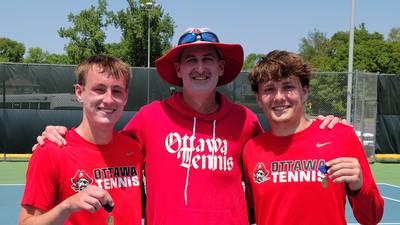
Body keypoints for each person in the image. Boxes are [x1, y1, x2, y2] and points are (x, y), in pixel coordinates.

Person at [35, 28, 342, 225]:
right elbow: (103, 141)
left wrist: (320, 127)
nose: (199, 67)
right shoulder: (149, 117)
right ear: (178, 69)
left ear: (220, 68)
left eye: (208, 59)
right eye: (190, 60)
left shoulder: (245, 121)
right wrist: (60, 132)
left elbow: (280, 155)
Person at [243, 50, 384, 225]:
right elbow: (249, 213)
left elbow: (372, 217)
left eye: (288, 87)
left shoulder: (341, 135)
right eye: (269, 89)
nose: (279, 97)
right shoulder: (252, 150)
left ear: (305, 92)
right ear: (258, 99)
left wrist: (358, 186)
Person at [19, 55, 143, 225]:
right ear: (79, 92)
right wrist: (68, 206)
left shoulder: (134, 149)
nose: (108, 99)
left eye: (116, 91)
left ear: (126, 97)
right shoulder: (51, 150)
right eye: (99, 89)